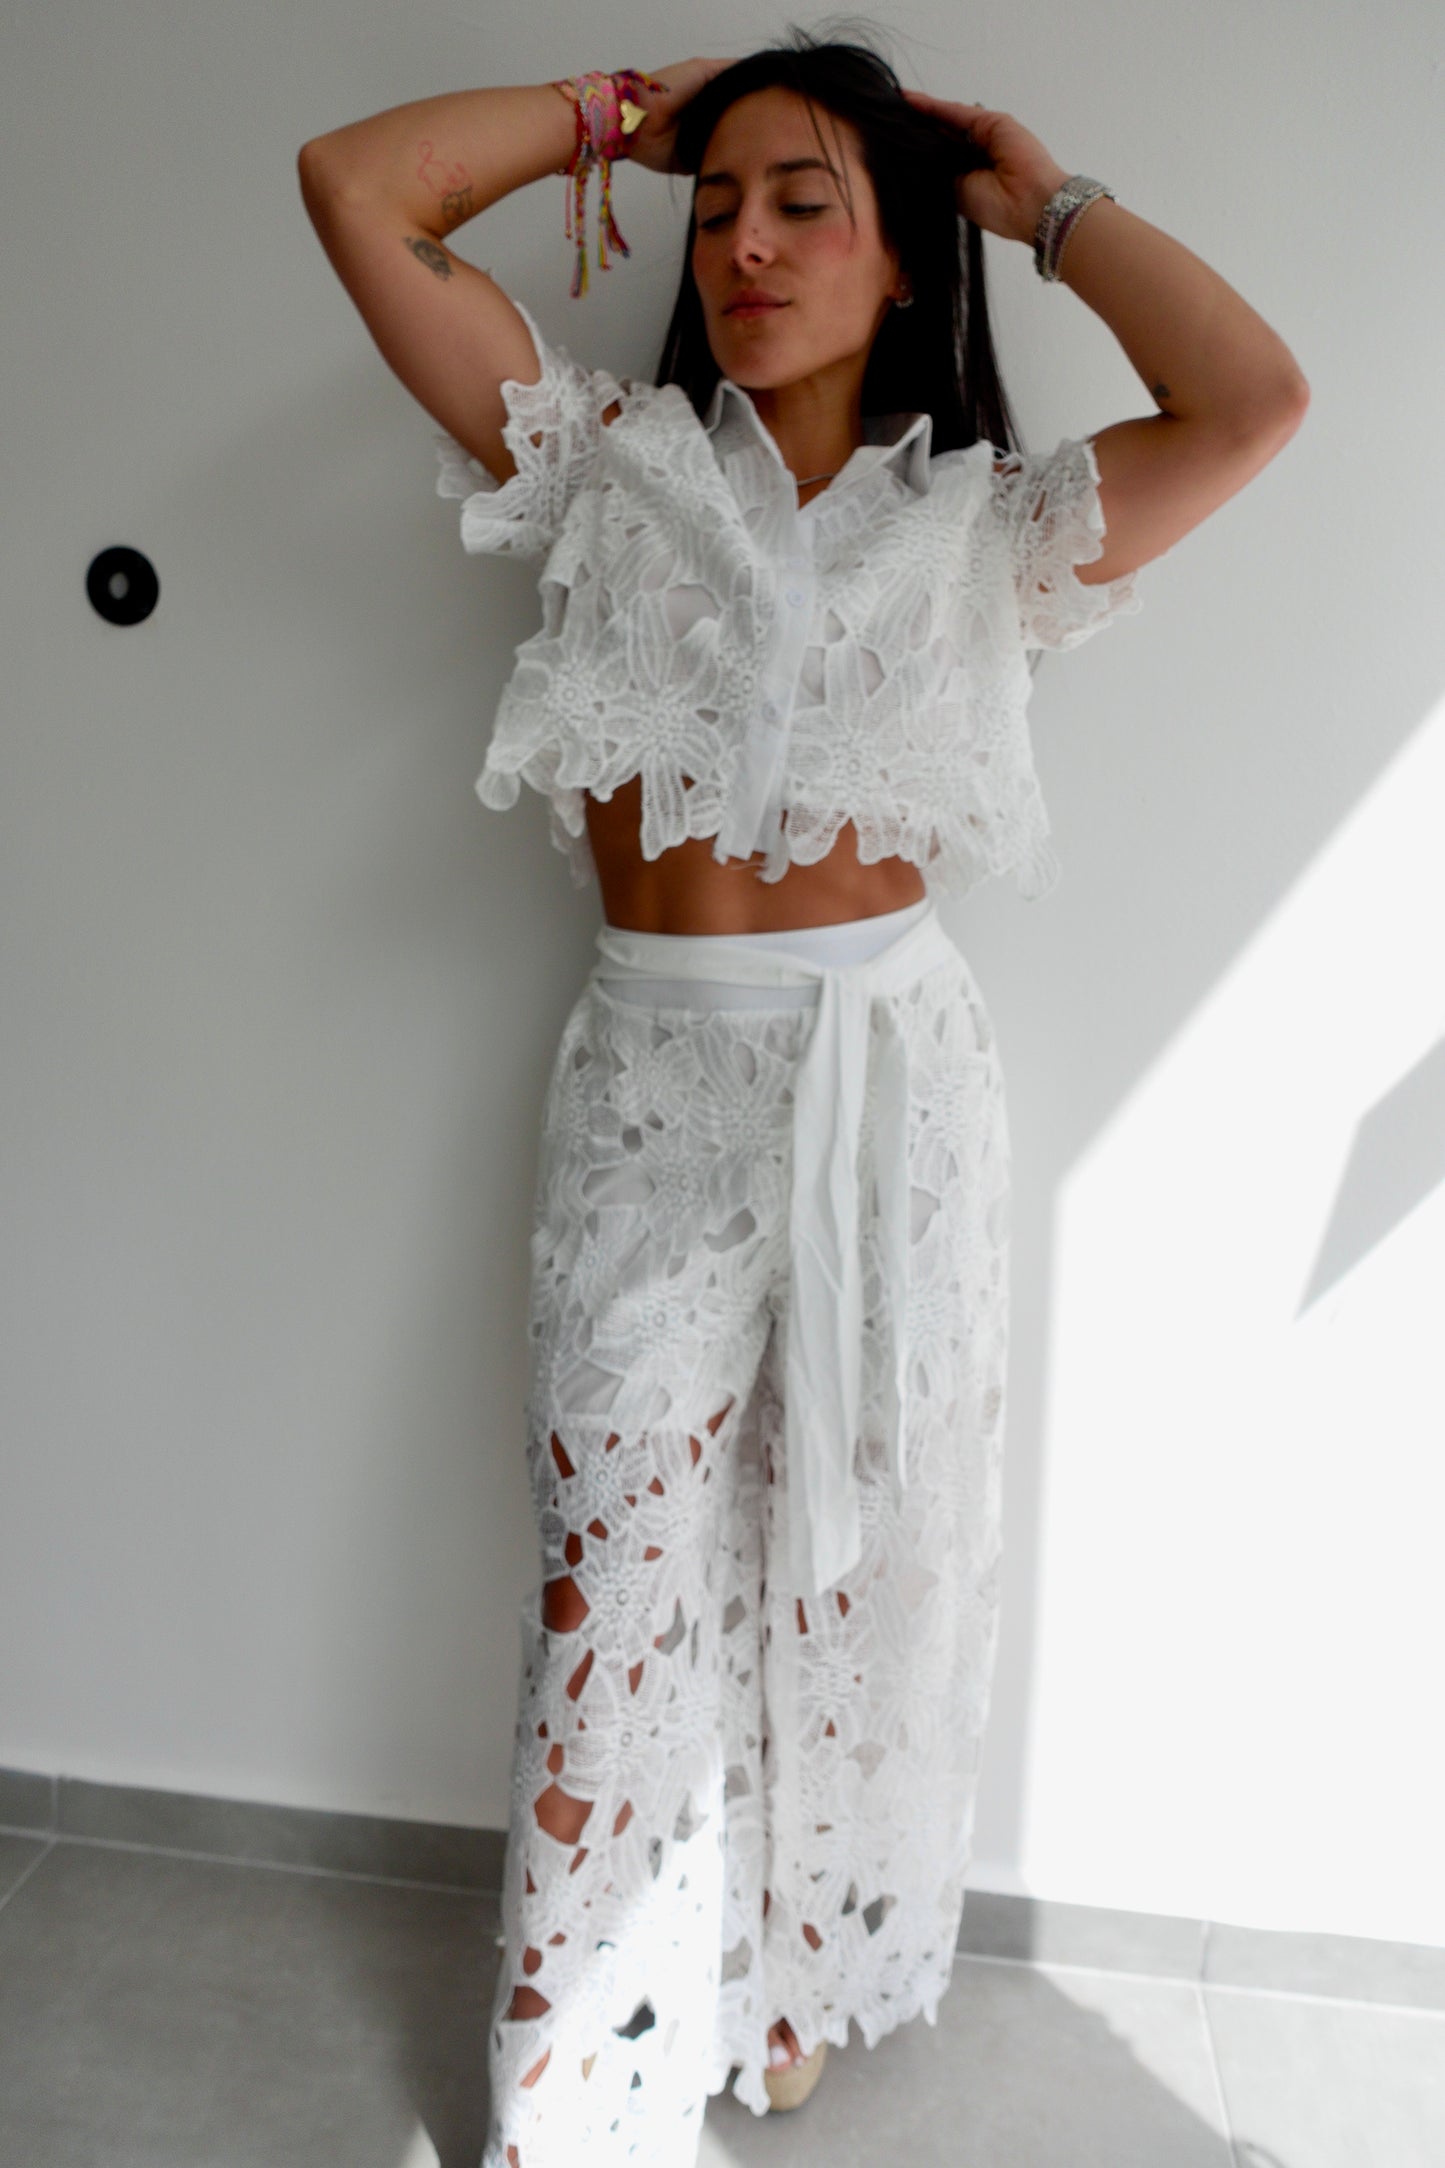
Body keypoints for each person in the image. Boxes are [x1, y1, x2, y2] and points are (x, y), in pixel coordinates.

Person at [298, 30, 1308, 2167]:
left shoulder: (988, 526)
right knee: (613, 1559)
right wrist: (615, 118)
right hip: (655, 1085)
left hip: (892, 1087)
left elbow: (1253, 400)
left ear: (904, 252)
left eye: (805, 203)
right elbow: (355, 187)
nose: (744, 244)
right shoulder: (603, 461)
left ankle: (788, 1974)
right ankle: (572, 2063)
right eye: (719, 206)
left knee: (856, 1561)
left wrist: (1040, 199)